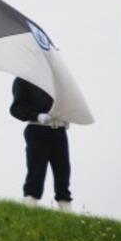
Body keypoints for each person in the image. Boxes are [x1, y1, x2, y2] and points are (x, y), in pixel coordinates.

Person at [10, 76, 73, 212]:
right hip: (37, 130)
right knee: (36, 169)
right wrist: (36, 116)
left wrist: (67, 116)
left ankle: (65, 206)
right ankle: (30, 203)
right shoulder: (23, 80)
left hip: (59, 131)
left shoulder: (57, 80)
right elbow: (16, 109)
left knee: (63, 170)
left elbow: (67, 101)